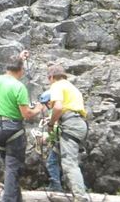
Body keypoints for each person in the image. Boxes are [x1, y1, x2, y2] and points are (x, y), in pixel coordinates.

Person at [0, 50, 44, 202]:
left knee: (10, 168)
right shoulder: (19, 87)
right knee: (13, 168)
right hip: (13, 130)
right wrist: (39, 108)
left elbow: (10, 70)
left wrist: (19, 59)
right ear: (21, 70)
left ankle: (16, 199)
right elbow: (26, 114)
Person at [46, 64, 89, 202]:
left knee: (69, 163)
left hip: (70, 125)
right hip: (77, 123)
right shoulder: (72, 87)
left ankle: (80, 196)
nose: (49, 81)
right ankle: (55, 187)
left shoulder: (57, 86)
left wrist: (51, 123)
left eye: (49, 78)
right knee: (54, 157)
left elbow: (58, 108)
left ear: (52, 77)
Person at [38, 90, 63, 192]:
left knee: (52, 162)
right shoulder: (58, 110)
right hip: (66, 138)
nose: (45, 107)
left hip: (63, 140)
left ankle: (56, 187)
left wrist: (47, 138)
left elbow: (58, 129)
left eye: (45, 104)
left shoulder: (56, 110)